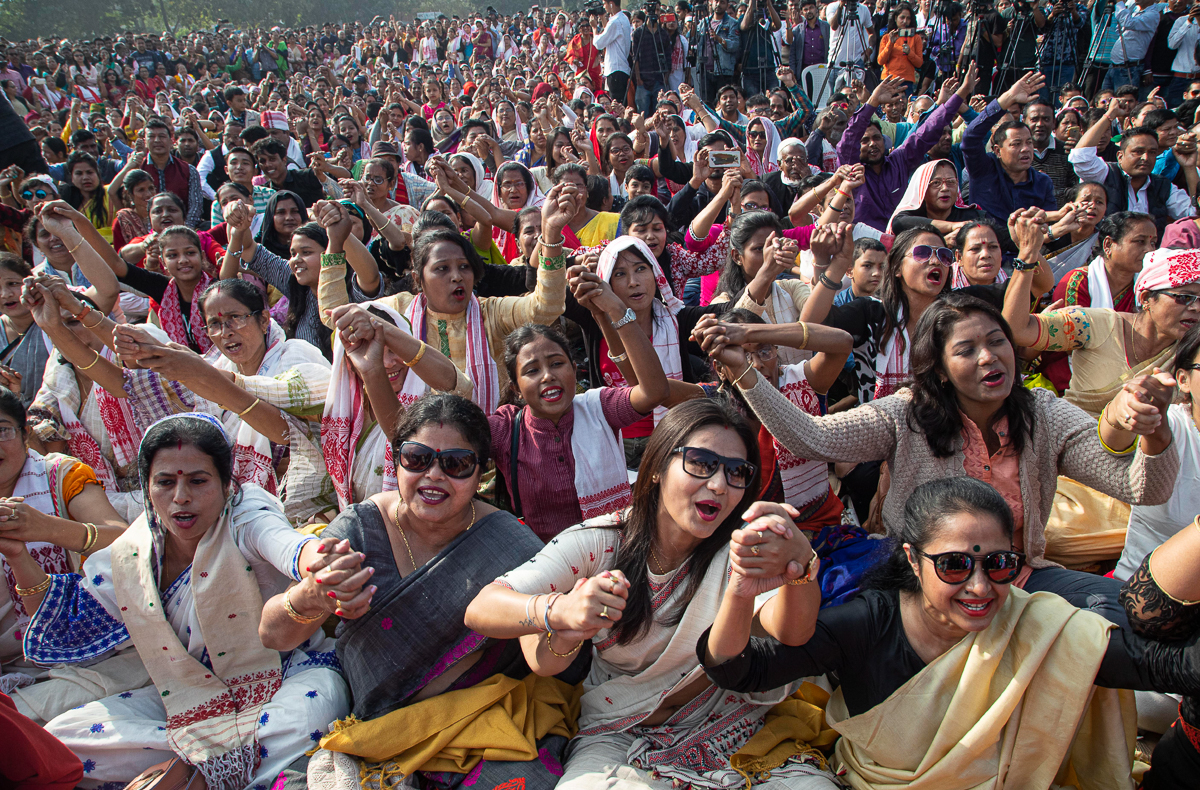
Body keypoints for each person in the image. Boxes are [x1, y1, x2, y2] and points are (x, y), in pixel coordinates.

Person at [700, 476, 1200, 790]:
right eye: (956, 565)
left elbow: (1163, 662)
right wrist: (743, 591)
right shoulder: (870, 621)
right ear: (913, 561)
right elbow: (744, 670)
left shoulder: (1038, 625)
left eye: (999, 564)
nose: (980, 587)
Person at [466, 398, 839, 790]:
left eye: (736, 472)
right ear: (659, 466)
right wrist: (562, 611)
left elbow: (792, 633)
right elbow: (484, 607)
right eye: (700, 462)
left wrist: (801, 568)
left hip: (732, 724)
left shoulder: (739, 550)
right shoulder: (601, 544)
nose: (718, 484)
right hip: (624, 731)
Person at [265, 393, 585, 789]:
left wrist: (562, 618)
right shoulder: (360, 530)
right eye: (418, 458)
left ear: (481, 473)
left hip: (479, 727)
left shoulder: (509, 543)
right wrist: (311, 595)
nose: (434, 475)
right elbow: (272, 635)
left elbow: (552, 655)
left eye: (455, 464)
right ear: (396, 460)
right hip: (376, 731)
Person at [20, 413, 348, 789]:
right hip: (188, 691)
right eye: (164, 482)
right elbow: (68, 627)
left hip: (286, 676)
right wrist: (16, 551)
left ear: (226, 484)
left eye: (197, 481)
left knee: (316, 708)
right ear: (146, 489)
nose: (181, 497)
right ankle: (199, 764)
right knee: (64, 736)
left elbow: (288, 546)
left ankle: (192, 772)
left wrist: (322, 564)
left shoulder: (245, 515)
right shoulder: (133, 551)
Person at [318, 185, 574, 414]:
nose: (456, 277)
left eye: (464, 267)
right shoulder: (399, 311)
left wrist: (550, 235)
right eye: (442, 269)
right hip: (419, 444)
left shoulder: (490, 312)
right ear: (419, 279)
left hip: (489, 442)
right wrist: (335, 242)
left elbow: (545, 307)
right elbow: (335, 314)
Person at [491, 314, 667, 540]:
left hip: (617, 552)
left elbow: (655, 392)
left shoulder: (599, 408)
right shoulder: (506, 429)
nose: (548, 376)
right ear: (516, 387)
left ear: (574, 370)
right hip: (548, 564)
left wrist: (615, 309)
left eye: (557, 364)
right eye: (532, 370)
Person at [223, 199, 381, 356]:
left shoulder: (353, 285)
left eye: (306, 252)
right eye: (293, 254)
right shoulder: (293, 281)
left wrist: (338, 233)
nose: (296, 260)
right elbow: (249, 249)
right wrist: (239, 221)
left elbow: (371, 276)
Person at [1116, 323, 1200, 581]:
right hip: (1147, 593)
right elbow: (1119, 427)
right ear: (1183, 380)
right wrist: (1128, 408)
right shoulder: (1170, 423)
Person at [835, 74, 969, 231]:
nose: (873, 143)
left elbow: (928, 130)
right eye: (865, 141)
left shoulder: (898, 161)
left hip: (901, 240)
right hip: (865, 246)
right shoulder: (851, 169)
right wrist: (873, 101)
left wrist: (960, 94)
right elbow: (849, 139)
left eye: (877, 138)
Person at [1069, 100, 1194, 238]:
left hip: (1150, 256)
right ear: (1120, 156)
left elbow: (1193, 212)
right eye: (1138, 152)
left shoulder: (1162, 186)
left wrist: (1189, 167)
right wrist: (1111, 114)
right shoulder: (1105, 174)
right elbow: (1080, 156)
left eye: (1152, 152)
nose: (1145, 158)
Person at [962, 71, 1058, 224]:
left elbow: (1049, 223)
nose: (1025, 149)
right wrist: (1006, 99)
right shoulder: (983, 169)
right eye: (1016, 144)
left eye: (1029, 142)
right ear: (997, 151)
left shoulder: (1042, 182)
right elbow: (969, 138)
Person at [886, 159, 985, 236]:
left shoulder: (975, 217)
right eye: (936, 183)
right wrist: (952, 227)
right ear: (922, 189)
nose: (945, 188)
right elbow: (898, 223)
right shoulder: (909, 217)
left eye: (951, 182)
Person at [876, 4, 922, 93]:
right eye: (902, 17)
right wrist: (891, 43)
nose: (905, 21)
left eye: (908, 18)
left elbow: (919, 63)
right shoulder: (886, 37)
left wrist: (910, 53)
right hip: (888, 79)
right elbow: (880, 61)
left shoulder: (916, 38)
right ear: (896, 18)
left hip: (906, 81)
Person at [949, 220, 1008, 288]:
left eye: (993, 247)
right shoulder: (942, 286)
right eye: (975, 249)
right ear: (959, 257)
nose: (985, 254)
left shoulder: (1013, 285)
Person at [594, 0, 633, 101]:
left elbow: (599, 43)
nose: (604, 6)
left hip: (616, 69)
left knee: (617, 105)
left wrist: (594, 28)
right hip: (621, 67)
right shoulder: (623, 18)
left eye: (604, 3)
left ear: (611, 3)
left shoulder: (615, 21)